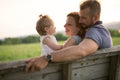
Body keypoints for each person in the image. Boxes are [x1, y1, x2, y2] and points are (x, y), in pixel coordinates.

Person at [25, 0, 112, 72]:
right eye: (80, 17)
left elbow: (81, 50)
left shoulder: (95, 32)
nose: (80, 21)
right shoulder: (102, 31)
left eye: (83, 18)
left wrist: (47, 57)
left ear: (95, 18)